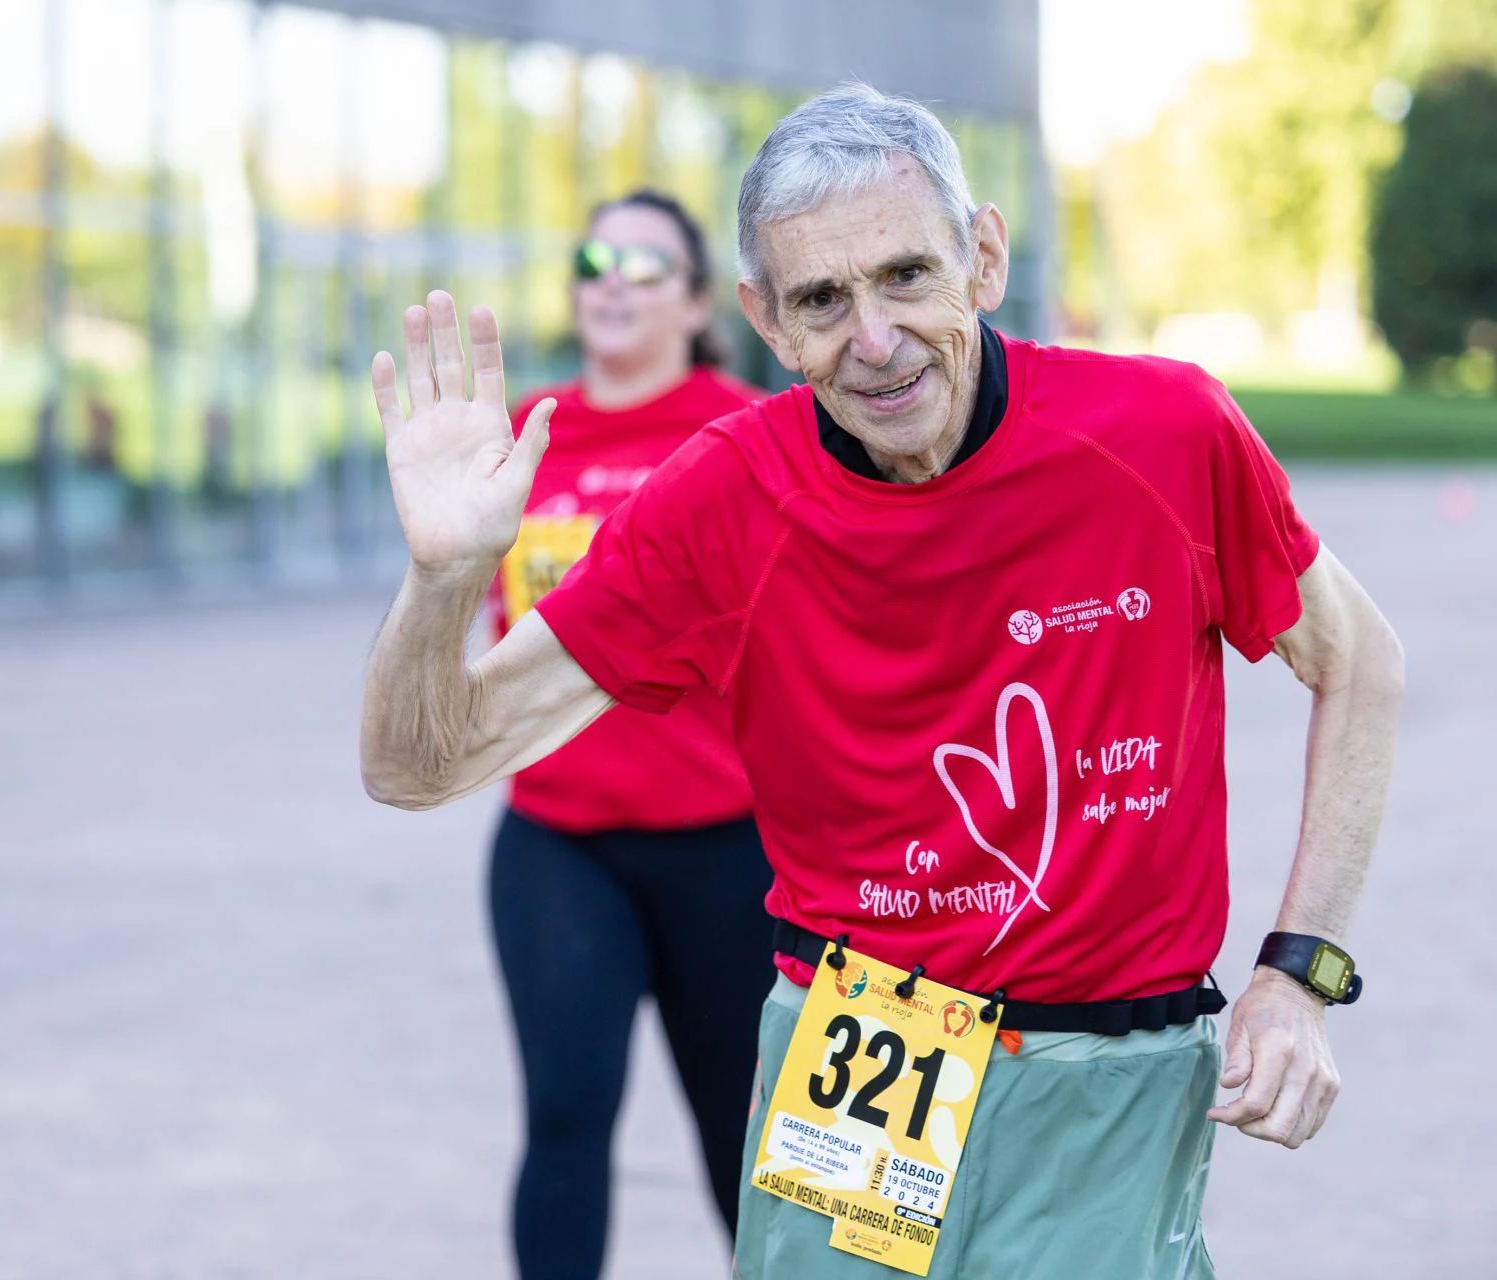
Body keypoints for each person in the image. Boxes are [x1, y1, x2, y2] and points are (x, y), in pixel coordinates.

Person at [360, 81, 1403, 1279]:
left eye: (907, 275)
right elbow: (418, 764)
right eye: (821, 299)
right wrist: (442, 578)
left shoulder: (1162, 434)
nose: (873, 339)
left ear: (984, 256)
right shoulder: (721, 496)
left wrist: (1300, 972)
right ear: (765, 318)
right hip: (860, 1051)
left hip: (1111, 1068)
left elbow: (1360, 659)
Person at [483, 191, 772, 1279]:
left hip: (728, 849)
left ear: (700, 303)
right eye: (597, 257)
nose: (613, 279)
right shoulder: (523, 433)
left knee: (753, 1147)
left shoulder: (751, 433)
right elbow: (486, 633)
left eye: (647, 266)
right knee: (564, 1118)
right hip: (561, 842)